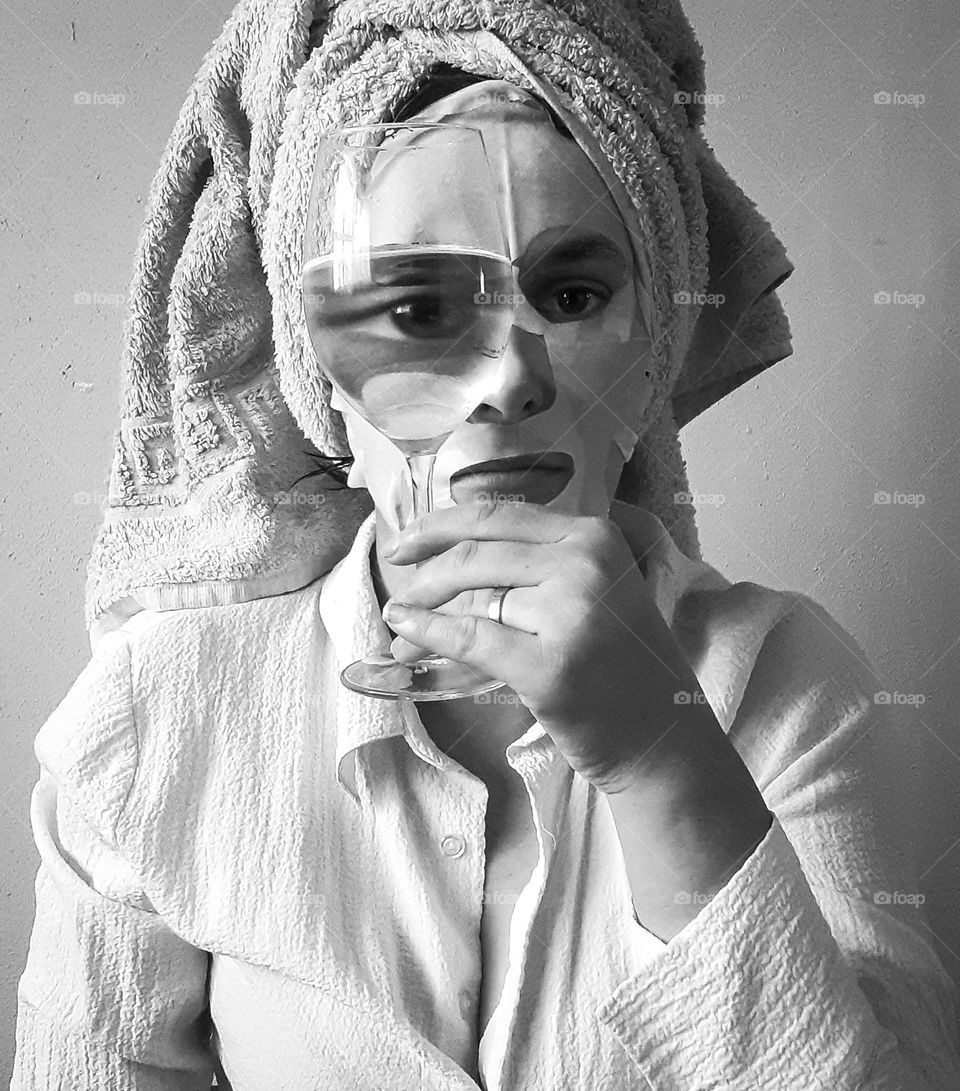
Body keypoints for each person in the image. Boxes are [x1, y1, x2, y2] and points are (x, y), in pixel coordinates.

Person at [11, 3, 960, 1089]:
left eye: (572, 294)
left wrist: (661, 757)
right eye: (417, 309)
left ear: (652, 355)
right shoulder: (152, 719)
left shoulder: (789, 685)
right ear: (319, 380)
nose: (511, 377)